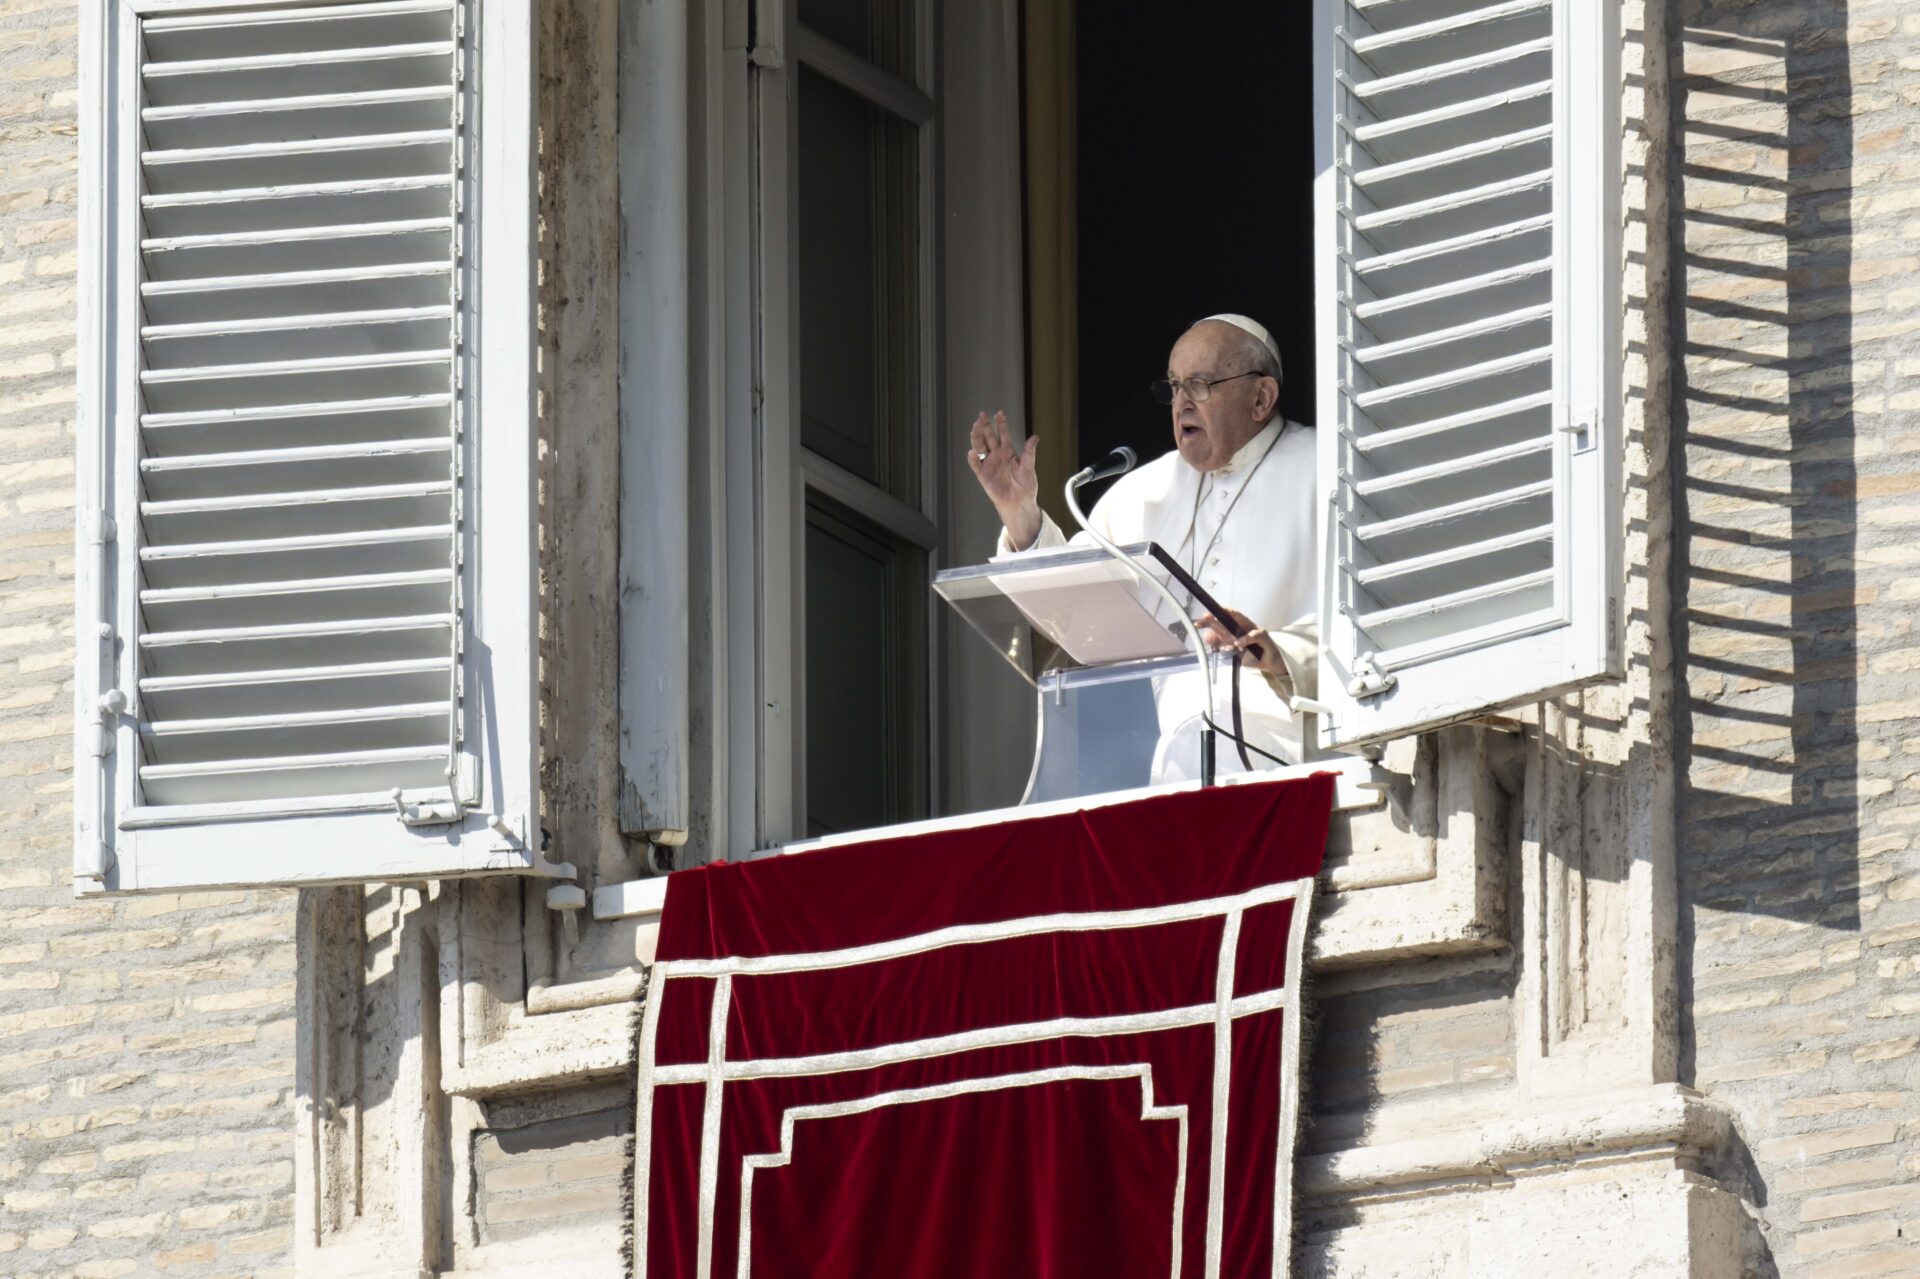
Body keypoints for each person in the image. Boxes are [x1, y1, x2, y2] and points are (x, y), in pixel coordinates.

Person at [965, 314, 1317, 770]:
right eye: (1173, 386)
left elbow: (1374, 627)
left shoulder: (1326, 472)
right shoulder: (1140, 493)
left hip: (1290, 750)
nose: (1181, 403)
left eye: (1200, 384)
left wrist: (1279, 651)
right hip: (1168, 761)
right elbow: (1071, 615)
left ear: (1261, 397)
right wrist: (1020, 513)